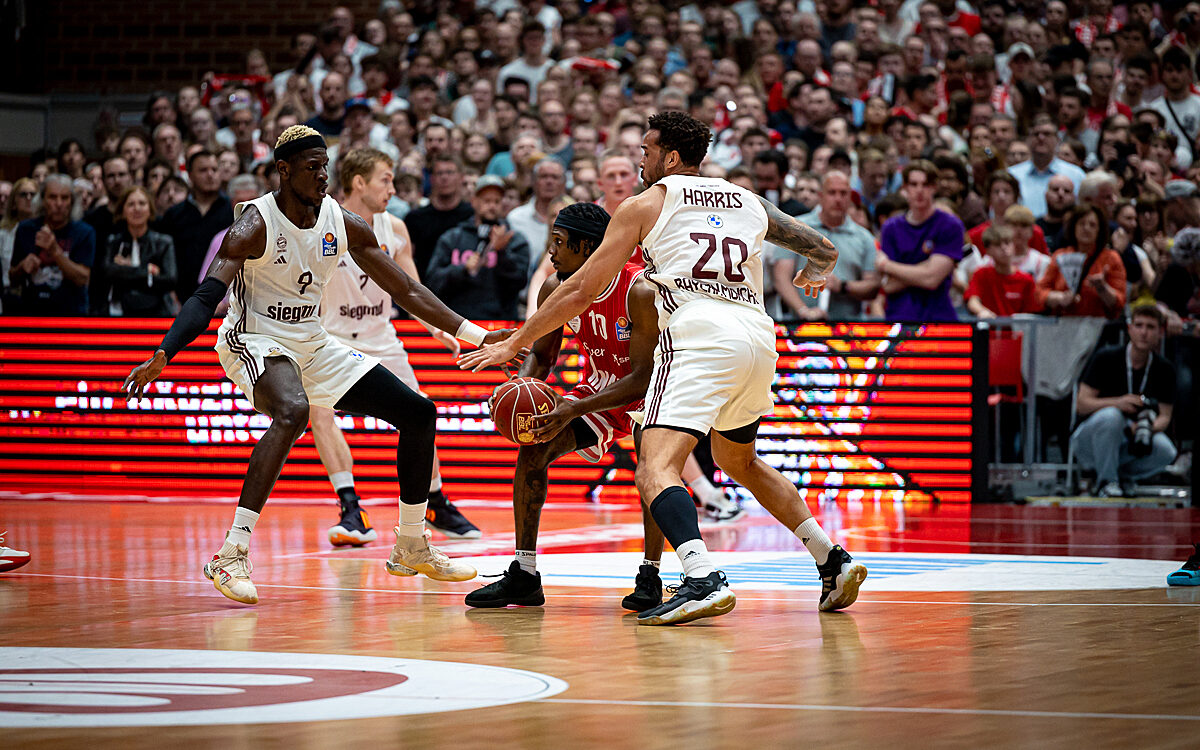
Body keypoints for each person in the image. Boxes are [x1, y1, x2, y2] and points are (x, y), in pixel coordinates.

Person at [462, 111, 867, 625]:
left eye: (647, 150)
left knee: (656, 465)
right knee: (738, 460)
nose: (640, 159)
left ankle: (699, 577)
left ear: (671, 157)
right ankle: (831, 558)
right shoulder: (746, 198)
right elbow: (822, 247)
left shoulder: (646, 203)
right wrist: (816, 269)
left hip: (698, 333)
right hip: (756, 337)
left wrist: (515, 341)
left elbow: (583, 287)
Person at [122, 126, 512, 605]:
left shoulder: (341, 221)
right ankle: (231, 553)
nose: (323, 176)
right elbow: (208, 294)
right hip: (254, 339)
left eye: (326, 165)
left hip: (312, 339)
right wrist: (166, 351)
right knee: (293, 411)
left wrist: (474, 333)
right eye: (312, 167)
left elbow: (406, 290)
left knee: (418, 412)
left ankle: (411, 542)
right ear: (283, 171)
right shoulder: (254, 224)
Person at [465, 203, 667, 611]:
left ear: (588, 247)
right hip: (600, 389)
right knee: (534, 448)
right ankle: (524, 573)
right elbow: (542, 356)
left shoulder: (639, 290)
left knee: (652, 469)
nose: (551, 251)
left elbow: (642, 379)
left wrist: (572, 409)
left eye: (559, 242)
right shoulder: (553, 289)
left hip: (655, 390)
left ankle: (651, 575)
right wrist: (518, 392)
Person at [313, 148, 481, 545]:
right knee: (319, 412)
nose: (393, 187)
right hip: (330, 338)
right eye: (385, 179)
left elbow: (411, 290)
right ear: (359, 183)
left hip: (381, 337)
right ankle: (351, 509)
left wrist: (438, 330)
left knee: (420, 410)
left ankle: (436, 503)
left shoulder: (396, 228)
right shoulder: (322, 225)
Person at [1071, 304, 1177, 498]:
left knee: (1166, 450)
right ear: (1129, 329)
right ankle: (1107, 482)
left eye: (1150, 327)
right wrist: (1116, 403)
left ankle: (1120, 476)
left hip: (1131, 438)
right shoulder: (1106, 357)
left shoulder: (1165, 369)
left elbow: (1165, 416)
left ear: (1160, 333)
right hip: (1091, 439)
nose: (1144, 332)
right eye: (1139, 325)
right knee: (1112, 417)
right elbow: (1082, 404)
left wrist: (1145, 428)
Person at [777, 170, 880, 321]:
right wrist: (804, 311)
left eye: (843, 193)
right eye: (832, 192)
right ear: (821, 196)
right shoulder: (795, 228)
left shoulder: (865, 238)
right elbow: (781, 277)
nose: (838, 199)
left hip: (848, 331)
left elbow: (872, 287)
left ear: (850, 197)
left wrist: (843, 286)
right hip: (800, 328)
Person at [424, 175, 530, 319]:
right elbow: (433, 282)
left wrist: (502, 253)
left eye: (497, 201)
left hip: (501, 324)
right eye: (487, 201)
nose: (492, 206)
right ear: (474, 202)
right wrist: (463, 269)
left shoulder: (514, 239)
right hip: (458, 323)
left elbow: (520, 282)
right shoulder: (453, 238)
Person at [875, 160, 966, 322]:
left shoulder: (950, 225)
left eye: (925, 185)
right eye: (914, 184)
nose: (919, 191)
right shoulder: (891, 227)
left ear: (934, 188)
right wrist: (925, 268)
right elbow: (888, 284)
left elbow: (931, 280)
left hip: (939, 319)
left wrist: (887, 265)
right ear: (904, 187)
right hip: (898, 318)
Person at [8, 174, 95, 315]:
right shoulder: (26, 229)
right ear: (42, 200)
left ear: (72, 202)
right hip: (32, 311)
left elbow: (83, 278)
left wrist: (55, 252)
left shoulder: (84, 232)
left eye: (64, 198)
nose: (59, 204)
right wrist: (22, 267)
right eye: (53, 197)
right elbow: (12, 278)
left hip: (71, 314)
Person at [157, 150, 233, 300]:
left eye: (214, 169)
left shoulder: (232, 210)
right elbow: (163, 260)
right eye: (203, 170)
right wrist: (172, 298)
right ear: (190, 176)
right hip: (181, 297)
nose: (210, 174)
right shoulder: (174, 214)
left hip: (223, 301)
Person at [1038, 204, 1127, 319]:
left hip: (1098, 329)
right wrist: (1059, 298)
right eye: (1082, 223)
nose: (1086, 228)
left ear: (1099, 230)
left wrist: (1102, 288)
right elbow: (1040, 291)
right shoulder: (1060, 256)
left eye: (1092, 225)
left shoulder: (1111, 258)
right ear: (1073, 227)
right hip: (1063, 327)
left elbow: (1119, 302)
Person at [100, 185, 178, 316]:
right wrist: (147, 271)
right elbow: (108, 273)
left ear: (150, 210)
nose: (137, 209)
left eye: (142, 203)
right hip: (120, 311)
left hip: (158, 311)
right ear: (123, 211)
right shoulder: (113, 242)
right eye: (131, 204)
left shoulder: (164, 242)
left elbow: (170, 279)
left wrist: (125, 270)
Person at [404, 155, 474, 276]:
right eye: (439, 173)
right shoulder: (415, 218)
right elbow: (406, 260)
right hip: (425, 287)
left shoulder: (471, 215)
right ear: (431, 179)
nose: (444, 177)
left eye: (450, 172)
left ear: (461, 178)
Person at [965, 226, 1043, 318]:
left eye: (1007, 243)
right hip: (989, 329)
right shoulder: (981, 274)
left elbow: (1032, 313)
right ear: (988, 251)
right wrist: (982, 311)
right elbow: (973, 300)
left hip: (1017, 331)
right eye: (997, 244)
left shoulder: (1026, 280)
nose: (1004, 248)